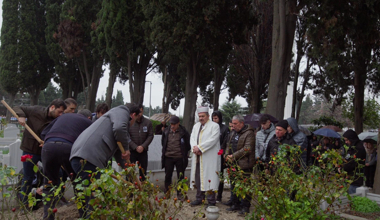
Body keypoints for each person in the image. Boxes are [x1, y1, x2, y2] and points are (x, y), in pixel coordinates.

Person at [70, 103, 140, 218]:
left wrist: (131, 175)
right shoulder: (122, 111)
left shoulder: (114, 123)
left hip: (80, 156)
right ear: (133, 115)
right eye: (135, 120)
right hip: (88, 157)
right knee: (94, 199)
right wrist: (127, 149)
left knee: (88, 197)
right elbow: (119, 128)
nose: (133, 124)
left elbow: (120, 156)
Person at [41, 109, 92, 220]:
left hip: (48, 146)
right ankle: (83, 215)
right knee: (77, 182)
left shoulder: (63, 116)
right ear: (88, 118)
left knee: (49, 184)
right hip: (68, 147)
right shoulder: (88, 123)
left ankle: (48, 217)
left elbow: (43, 133)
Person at [14, 99, 67, 206]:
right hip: (30, 149)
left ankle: (55, 199)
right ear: (52, 107)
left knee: (58, 173)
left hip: (45, 151)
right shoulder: (36, 110)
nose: (60, 115)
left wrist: (48, 142)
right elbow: (17, 108)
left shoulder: (57, 120)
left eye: (62, 113)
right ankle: (24, 204)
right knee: (28, 177)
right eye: (59, 112)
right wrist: (21, 116)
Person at [224, 115, 255, 216]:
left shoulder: (249, 133)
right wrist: (226, 155)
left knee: (245, 186)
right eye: (232, 123)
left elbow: (247, 148)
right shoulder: (233, 133)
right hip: (233, 163)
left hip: (244, 164)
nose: (233, 125)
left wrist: (233, 156)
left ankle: (245, 207)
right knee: (234, 185)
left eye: (235, 123)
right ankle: (235, 203)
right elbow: (228, 145)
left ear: (242, 123)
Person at [189, 106, 220, 207]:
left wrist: (200, 148)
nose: (201, 118)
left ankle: (211, 201)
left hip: (209, 157)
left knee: (210, 177)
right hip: (198, 157)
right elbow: (192, 138)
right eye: (199, 116)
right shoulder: (196, 126)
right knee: (198, 177)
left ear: (208, 116)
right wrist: (194, 148)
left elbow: (212, 140)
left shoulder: (214, 126)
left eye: (202, 116)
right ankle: (199, 198)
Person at [161, 116, 190, 198]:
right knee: (167, 176)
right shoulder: (166, 131)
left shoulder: (183, 132)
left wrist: (184, 153)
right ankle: (167, 193)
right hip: (168, 157)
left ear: (178, 123)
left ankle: (180, 194)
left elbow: (188, 145)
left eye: (174, 124)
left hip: (179, 157)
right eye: (171, 124)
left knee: (180, 176)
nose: (172, 126)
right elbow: (163, 143)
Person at [128, 104, 154, 181]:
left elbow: (150, 135)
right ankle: (130, 191)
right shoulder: (130, 122)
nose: (139, 114)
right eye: (137, 112)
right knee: (130, 172)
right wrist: (135, 147)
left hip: (143, 151)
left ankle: (142, 190)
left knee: (143, 172)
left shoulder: (148, 123)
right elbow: (126, 136)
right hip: (132, 151)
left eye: (141, 112)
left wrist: (143, 146)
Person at [211, 111, 230, 203]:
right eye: (213, 118)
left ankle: (219, 195)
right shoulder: (209, 128)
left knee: (220, 175)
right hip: (211, 154)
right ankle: (211, 193)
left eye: (216, 118)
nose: (214, 120)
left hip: (220, 154)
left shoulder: (224, 128)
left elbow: (226, 141)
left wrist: (221, 151)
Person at [342, 129, 366, 194]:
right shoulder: (352, 147)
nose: (346, 142)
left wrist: (343, 167)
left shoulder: (358, 148)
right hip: (349, 177)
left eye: (347, 140)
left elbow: (352, 163)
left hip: (355, 179)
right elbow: (347, 157)